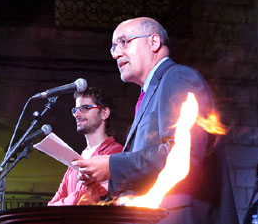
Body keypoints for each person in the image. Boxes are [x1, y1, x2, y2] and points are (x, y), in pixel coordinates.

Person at [72, 17, 239, 223]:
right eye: (113, 47)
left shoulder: (178, 77)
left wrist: (112, 165)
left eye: (124, 42)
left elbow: (183, 154)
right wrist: (107, 189)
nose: (116, 53)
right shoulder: (149, 93)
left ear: (153, 42)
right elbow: (148, 171)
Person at [47, 87, 123, 206]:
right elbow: (51, 205)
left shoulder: (115, 153)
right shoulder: (75, 160)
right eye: (75, 109)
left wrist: (70, 201)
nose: (76, 114)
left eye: (85, 108)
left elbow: (86, 200)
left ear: (104, 113)